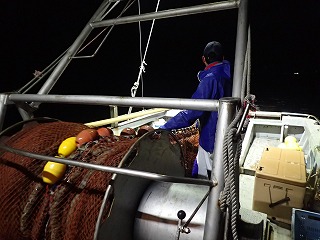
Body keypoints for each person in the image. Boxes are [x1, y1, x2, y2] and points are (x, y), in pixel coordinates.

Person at [160, 41, 232, 179]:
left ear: (204, 59)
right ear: (223, 58)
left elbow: (192, 112)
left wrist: (165, 127)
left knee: (206, 179)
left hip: (211, 140)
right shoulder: (229, 74)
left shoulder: (210, 80)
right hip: (226, 136)